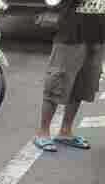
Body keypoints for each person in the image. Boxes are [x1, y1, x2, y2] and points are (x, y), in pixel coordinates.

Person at [34, 0, 105, 153]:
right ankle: (43, 132)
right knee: (57, 82)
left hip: (98, 36)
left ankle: (66, 131)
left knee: (82, 85)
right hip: (71, 36)